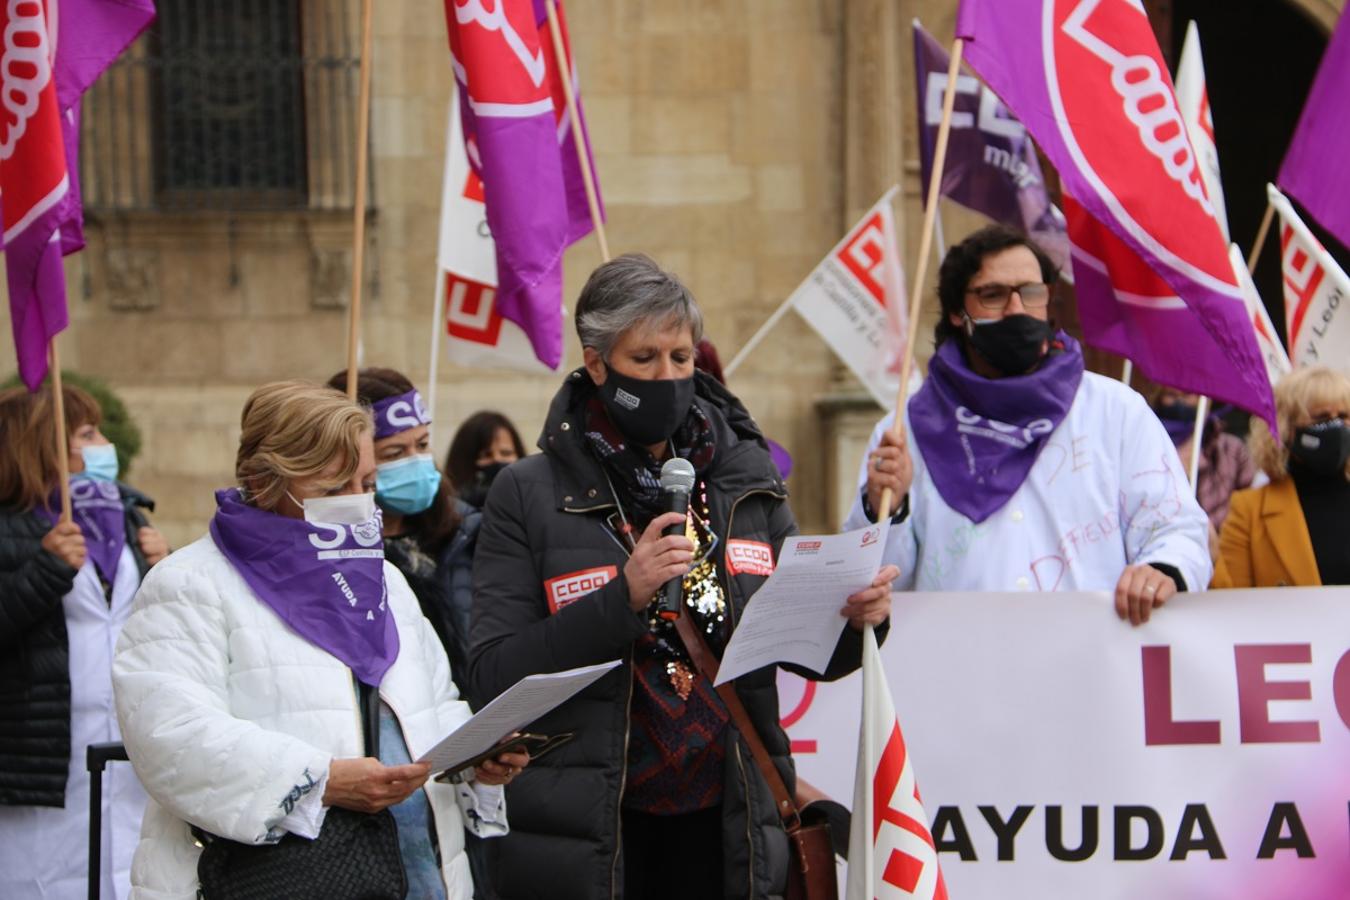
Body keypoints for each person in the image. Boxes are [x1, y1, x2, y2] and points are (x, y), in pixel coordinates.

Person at [469, 253, 896, 899]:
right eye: (644, 360)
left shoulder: (745, 482)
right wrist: (623, 599)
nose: (667, 377)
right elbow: (494, 675)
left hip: (729, 828)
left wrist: (857, 616)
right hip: (590, 834)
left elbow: (810, 656)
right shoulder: (526, 494)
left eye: (682, 358)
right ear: (596, 363)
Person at [112, 381, 526, 900]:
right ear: (265, 482)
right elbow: (170, 736)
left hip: (419, 871)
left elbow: (433, 706)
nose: (358, 504)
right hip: (274, 879)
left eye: (368, 482)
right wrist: (320, 780)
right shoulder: (191, 584)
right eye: (333, 489)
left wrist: (476, 756)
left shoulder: (386, 581)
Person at [847, 225, 1211, 625]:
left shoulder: (1115, 411)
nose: (1016, 309)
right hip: (960, 672)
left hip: (1091, 669)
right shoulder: (905, 431)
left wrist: (1163, 569)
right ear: (957, 312)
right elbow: (871, 588)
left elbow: (1177, 529)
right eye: (994, 294)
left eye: (1030, 293)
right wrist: (883, 510)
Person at [327, 367, 500, 898]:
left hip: (462, 766)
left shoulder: (469, 533)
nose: (415, 464)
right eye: (393, 453)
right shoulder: (335, 553)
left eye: (422, 445)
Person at [0, 383, 168, 900]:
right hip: (43, 765)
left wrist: (163, 567)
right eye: (87, 434)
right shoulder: (10, 528)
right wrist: (46, 568)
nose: (101, 444)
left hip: (125, 753)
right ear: (42, 447)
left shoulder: (129, 516)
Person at [1213, 366, 1350, 588]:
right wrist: (1209, 555)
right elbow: (1229, 602)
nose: (1336, 427)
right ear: (1287, 428)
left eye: (1344, 417)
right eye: (1321, 418)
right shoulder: (1249, 511)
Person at [1151, 387, 1255, 533]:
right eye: (1171, 395)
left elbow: (1247, 509)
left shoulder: (1232, 451)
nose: (1180, 402)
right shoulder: (1149, 445)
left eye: (1187, 394)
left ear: (1205, 400)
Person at [445, 410, 526, 509]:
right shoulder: (451, 510)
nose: (497, 459)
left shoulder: (531, 505)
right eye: (486, 455)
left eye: (506, 453)